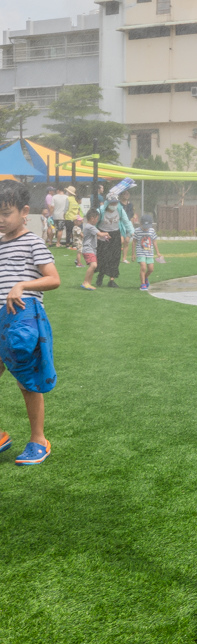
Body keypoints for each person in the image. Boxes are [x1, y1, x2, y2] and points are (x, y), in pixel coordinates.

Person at [0, 180, 60, 465]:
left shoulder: (32, 241)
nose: (0, 220)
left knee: (28, 382)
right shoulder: (0, 244)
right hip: (1, 320)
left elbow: (53, 278)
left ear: (24, 211)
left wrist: (22, 285)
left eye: (5, 213)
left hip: (23, 320)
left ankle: (39, 440)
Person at [95, 193, 134, 288]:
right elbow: (93, 223)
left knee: (115, 257)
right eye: (112, 203)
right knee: (103, 257)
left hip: (115, 235)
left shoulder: (120, 210)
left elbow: (126, 221)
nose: (114, 205)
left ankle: (112, 280)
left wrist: (132, 231)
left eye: (115, 203)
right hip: (103, 235)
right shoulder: (100, 211)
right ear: (107, 203)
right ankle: (101, 275)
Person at [80, 208, 110, 291]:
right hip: (88, 248)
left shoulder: (91, 227)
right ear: (92, 218)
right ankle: (85, 282)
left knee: (93, 266)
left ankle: (88, 283)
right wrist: (107, 233)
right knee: (93, 265)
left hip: (92, 249)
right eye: (97, 219)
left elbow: (98, 236)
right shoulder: (90, 227)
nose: (97, 220)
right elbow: (100, 233)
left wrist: (105, 238)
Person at [134, 214, 161, 291]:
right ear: (140, 224)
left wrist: (158, 252)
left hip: (149, 252)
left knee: (151, 269)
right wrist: (133, 254)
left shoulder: (152, 231)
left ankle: (145, 278)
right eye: (144, 226)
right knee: (143, 267)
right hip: (140, 252)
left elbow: (154, 241)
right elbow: (134, 242)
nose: (146, 229)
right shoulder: (137, 231)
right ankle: (143, 284)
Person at [119, 190, 137, 264]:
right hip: (120, 223)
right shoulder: (119, 204)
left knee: (126, 241)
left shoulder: (130, 205)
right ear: (122, 195)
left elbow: (131, 215)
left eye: (128, 194)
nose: (126, 195)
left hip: (128, 223)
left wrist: (131, 225)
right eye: (125, 194)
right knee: (121, 241)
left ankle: (124, 258)